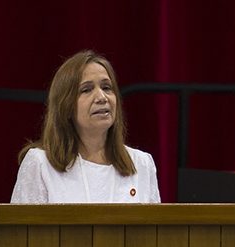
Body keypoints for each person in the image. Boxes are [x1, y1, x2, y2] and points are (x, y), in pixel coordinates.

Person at [11, 50, 160, 203]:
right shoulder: (40, 163)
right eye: (87, 89)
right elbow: (21, 227)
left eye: (107, 87)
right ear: (66, 105)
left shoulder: (142, 164)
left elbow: (156, 226)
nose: (102, 97)